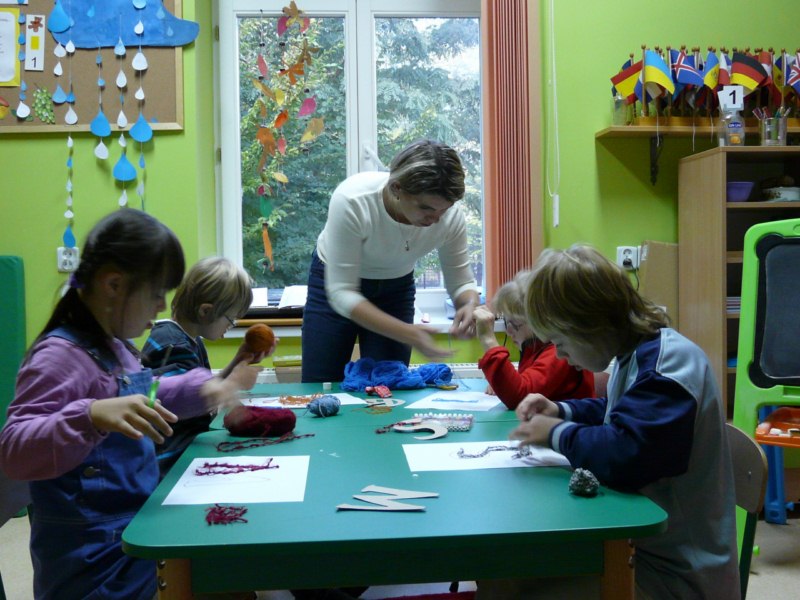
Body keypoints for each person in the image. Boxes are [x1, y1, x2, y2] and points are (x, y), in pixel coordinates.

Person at [0, 209, 261, 600]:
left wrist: (205, 387)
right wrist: (90, 415)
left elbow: (148, 395)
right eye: (156, 294)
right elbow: (14, 451)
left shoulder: (118, 349)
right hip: (92, 564)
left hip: (135, 533)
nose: (161, 307)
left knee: (234, 574)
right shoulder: (58, 357)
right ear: (114, 285)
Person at [503, 244, 739, 600]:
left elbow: (626, 453)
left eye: (561, 342)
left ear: (591, 325)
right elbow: (620, 411)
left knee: (518, 587)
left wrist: (557, 434)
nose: (561, 355)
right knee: (507, 575)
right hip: (642, 550)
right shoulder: (638, 355)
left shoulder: (667, 367)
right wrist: (562, 411)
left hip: (678, 576)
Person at [301, 139, 480, 383]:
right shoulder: (353, 200)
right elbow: (342, 293)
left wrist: (469, 305)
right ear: (396, 188)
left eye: (444, 209)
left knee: (389, 387)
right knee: (321, 385)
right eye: (426, 208)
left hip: (395, 288)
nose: (436, 219)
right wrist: (409, 333)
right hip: (333, 284)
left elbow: (461, 283)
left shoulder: (450, 217)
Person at [142, 256, 276, 478]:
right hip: (171, 463)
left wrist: (239, 359)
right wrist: (234, 382)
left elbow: (200, 389)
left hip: (188, 451)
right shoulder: (172, 345)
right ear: (205, 311)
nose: (231, 326)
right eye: (230, 320)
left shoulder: (190, 339)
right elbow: (168, 402)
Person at [474, 269, 594, 409]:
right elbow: (526, 384)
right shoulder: (535, 348)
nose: (509, 331)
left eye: (514, 324)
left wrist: (488, 339)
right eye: (507, 322)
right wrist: (503, 383)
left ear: (539, 321)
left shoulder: (559, 353)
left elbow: (521, 398)